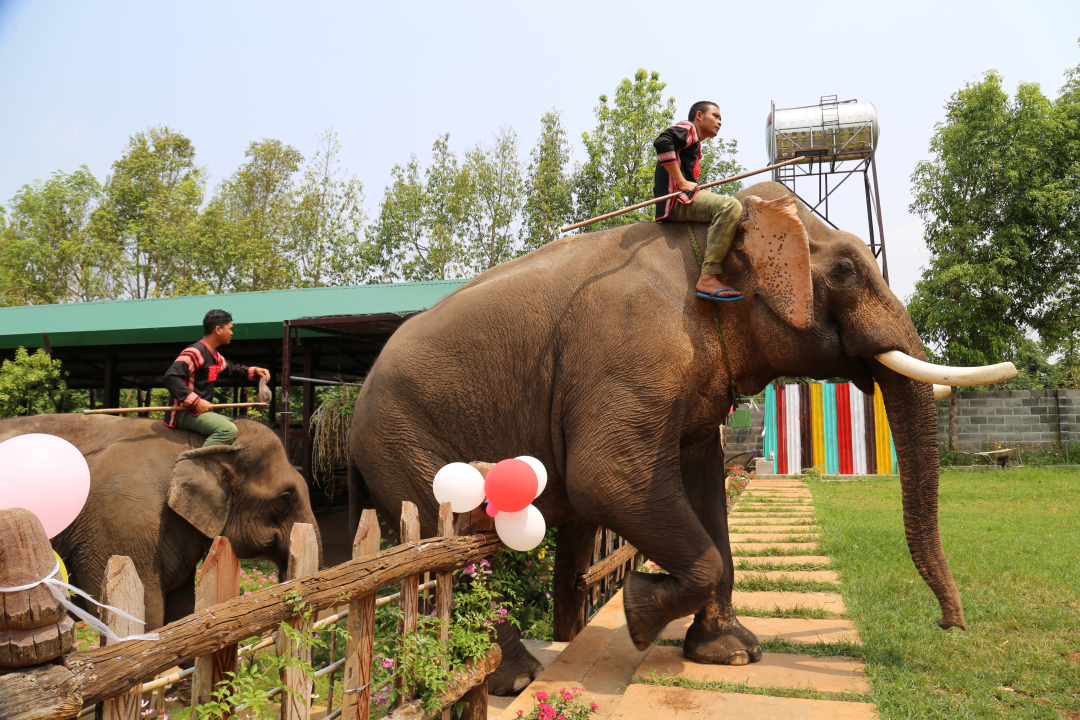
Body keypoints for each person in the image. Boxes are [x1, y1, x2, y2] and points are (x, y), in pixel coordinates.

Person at [653, 101, 745, 301]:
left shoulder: (694, 141)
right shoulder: (689, 129)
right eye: (715, 116)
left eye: (721, 118)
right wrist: (681, 182)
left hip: (678, 200)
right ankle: (709, 277)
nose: (719, 122)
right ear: (699, 116)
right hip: (677, 202)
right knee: (729, 206)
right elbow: (661, 142)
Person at [163, 309, 271, 447]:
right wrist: (195, 402)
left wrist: (255, 371)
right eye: (230, 329)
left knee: (237, 426)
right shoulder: (195, 352)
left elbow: (232, 369)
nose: (232, 333)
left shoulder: (214, 357)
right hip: (184, 412)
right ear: (218, 329)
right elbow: (171, 377)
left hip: (199, 413)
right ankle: (194, 464)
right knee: (227, 430)